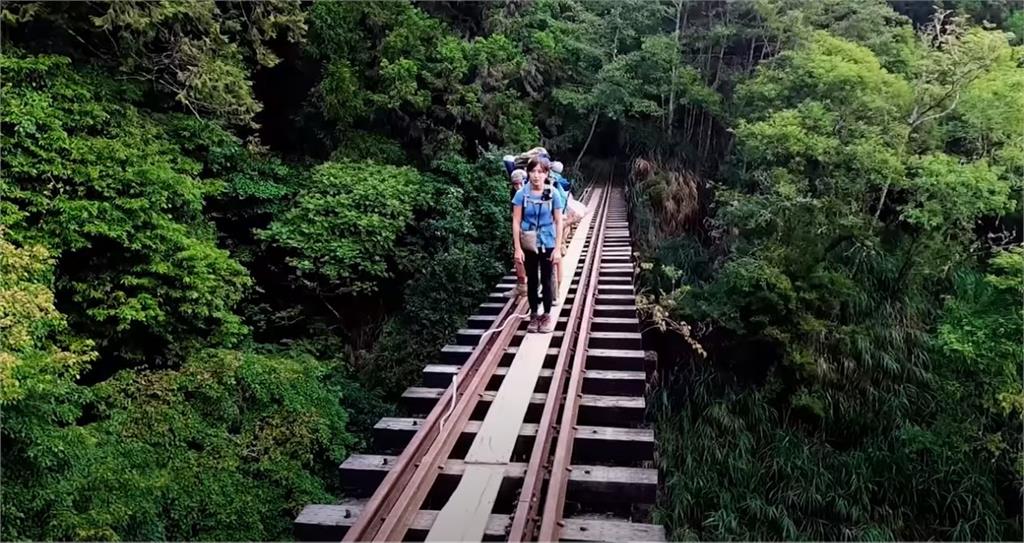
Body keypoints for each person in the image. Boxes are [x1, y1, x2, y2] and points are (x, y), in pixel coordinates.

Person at [512, 157, 563, 333]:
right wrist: (517, 248)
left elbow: (558, 221)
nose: (536, 176)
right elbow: (516, 221)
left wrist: (557, 248)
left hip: (548, 241)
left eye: (540, 172)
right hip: (529, 241)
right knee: (532, 280)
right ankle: (534, 314)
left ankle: (547, 314)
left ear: (546, 174)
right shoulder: (521, 194)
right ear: (528, 173)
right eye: (533, 171)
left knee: (547, 279)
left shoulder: (553, 193)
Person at [504, 169, 529, 298]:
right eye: (515, 184)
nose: (518, 187)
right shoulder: (515, 193)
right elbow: (514, 214)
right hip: (519, 228)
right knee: (518, 257)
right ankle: (521, 286)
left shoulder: (532, 191)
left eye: (520, 183)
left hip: (533, 229)